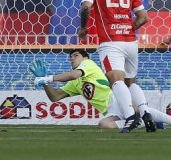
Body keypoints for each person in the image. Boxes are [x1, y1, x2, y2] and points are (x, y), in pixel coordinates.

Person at [78, 0, 152, 133]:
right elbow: (143, 17)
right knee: (130, 83)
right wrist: (128, 28)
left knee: (116, 81)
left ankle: (130, 117)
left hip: (111, 42)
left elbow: (86, 6)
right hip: (131, 42)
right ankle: (145, 112)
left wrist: (83, 28)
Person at [29, 49, 171, 129]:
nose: (71, 58)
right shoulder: (75, 84)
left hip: (116, 100)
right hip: (110, 110)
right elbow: (55, 97)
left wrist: (48, 78)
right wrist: (45, 84)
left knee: (134, 110)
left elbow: (73, 74)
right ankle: (147, 120)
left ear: (85, 58)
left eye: (75, 55)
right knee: (104, 125)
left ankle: (160, 119)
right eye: (70, 57)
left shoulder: (88, 64)